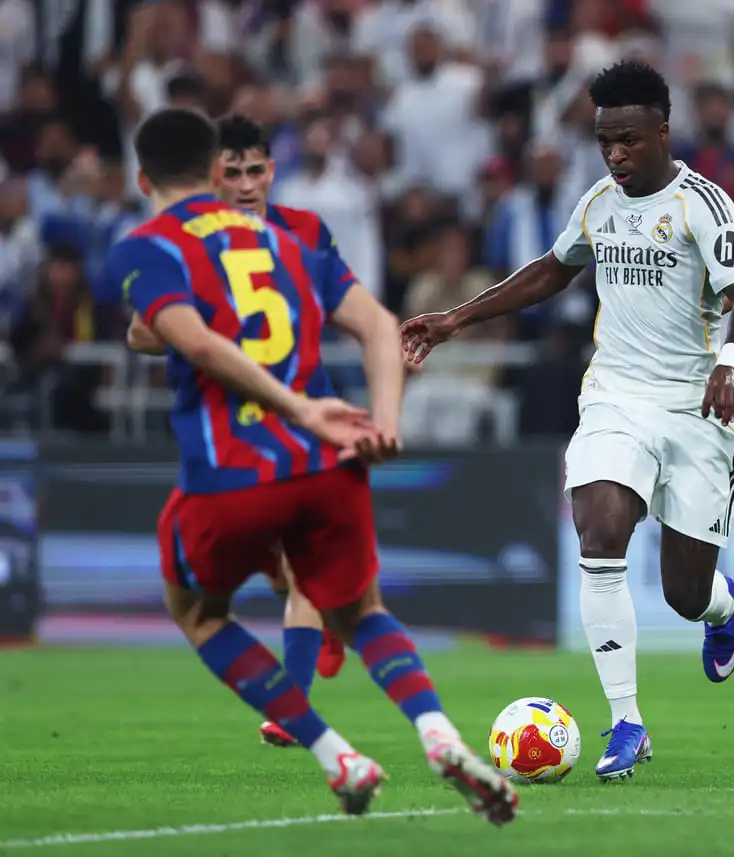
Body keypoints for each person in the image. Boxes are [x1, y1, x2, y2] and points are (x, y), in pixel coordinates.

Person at [108, 107, 518, 823]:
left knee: (199, 612)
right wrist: (382, 424)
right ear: (214, 173)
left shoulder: (150, 248)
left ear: (142, 178)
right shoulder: (293, 242)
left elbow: (187, 341)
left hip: (234, 466)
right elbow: (378, 325)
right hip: (327, 460)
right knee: (363, 606)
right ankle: (437, 732)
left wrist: (294, 406)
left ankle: (336, 752)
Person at [400, 60, 734, 782]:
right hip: (615, 396)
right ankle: (626, 720)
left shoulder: (704, 204)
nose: (615, 155)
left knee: (684, 592)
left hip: (695, 407)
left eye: (628, 140)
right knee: (598, 530)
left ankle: (721, 608)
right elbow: (550, 268)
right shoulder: (599, 202)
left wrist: (730, 361)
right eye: (604, 142)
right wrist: (456, 318)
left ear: (662, 131)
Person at [127, 113, 353, 750]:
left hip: (302, 417)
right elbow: (140, 332)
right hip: (224, 428)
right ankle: (328, 620)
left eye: (258, 170)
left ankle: (294, 703)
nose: (248, 183)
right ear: (211, 176)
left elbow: (338, 306)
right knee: (278, 568)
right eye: (234, 171)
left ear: (271, 172)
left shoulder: (300, 236)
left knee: (300, 559)